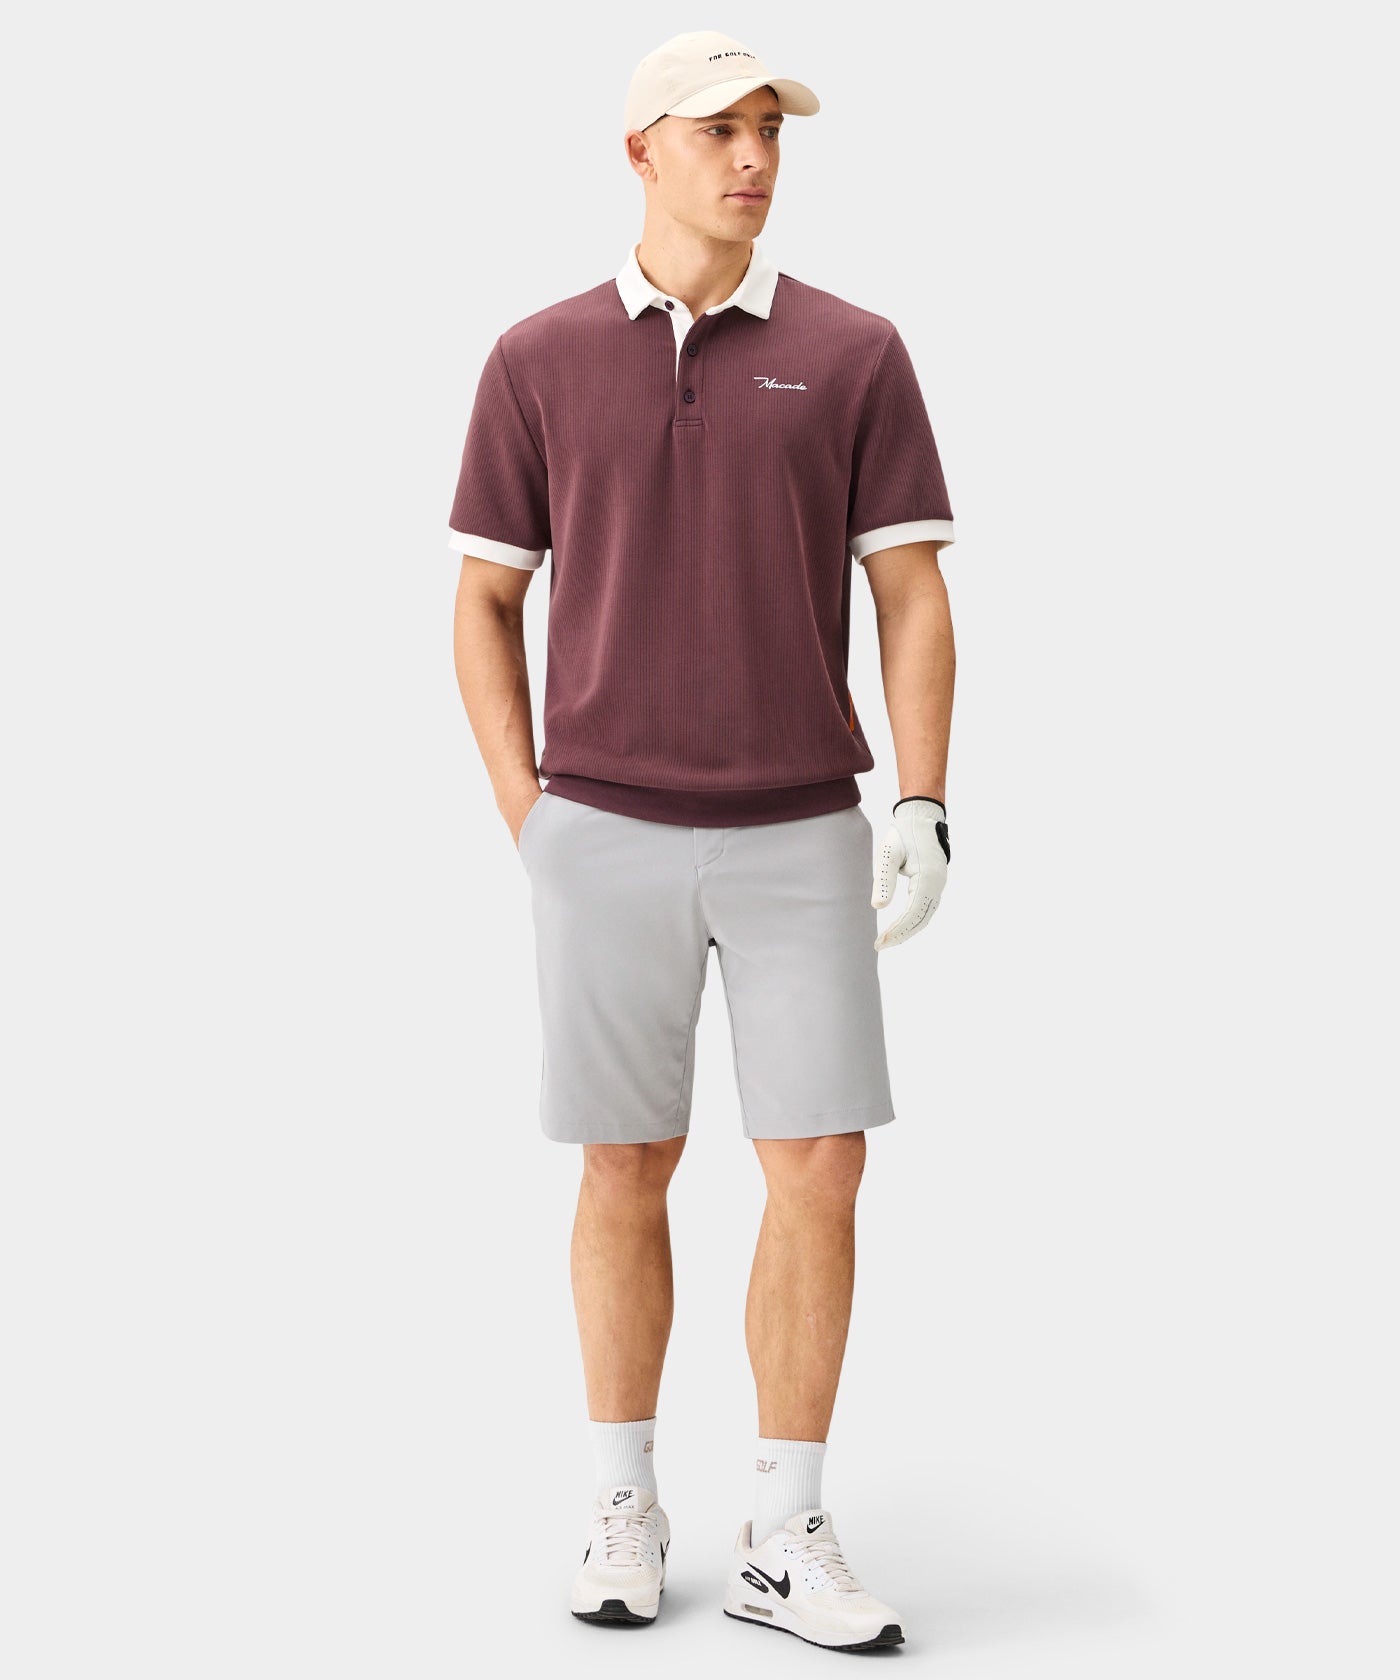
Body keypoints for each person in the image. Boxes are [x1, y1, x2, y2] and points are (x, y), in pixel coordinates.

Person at [446, 28, 956, 1654]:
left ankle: (785, 1532)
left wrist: (925, 801)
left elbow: (911, 592)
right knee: (624, 1163)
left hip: (800, 827)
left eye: (769, 131)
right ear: (640, 152)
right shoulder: (536, 358)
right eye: (717, 128)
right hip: (601, 831)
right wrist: (530, 813)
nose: (752, 157)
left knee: (822, 1165)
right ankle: (624, 1504)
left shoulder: (855, 351)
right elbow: (483, 597)